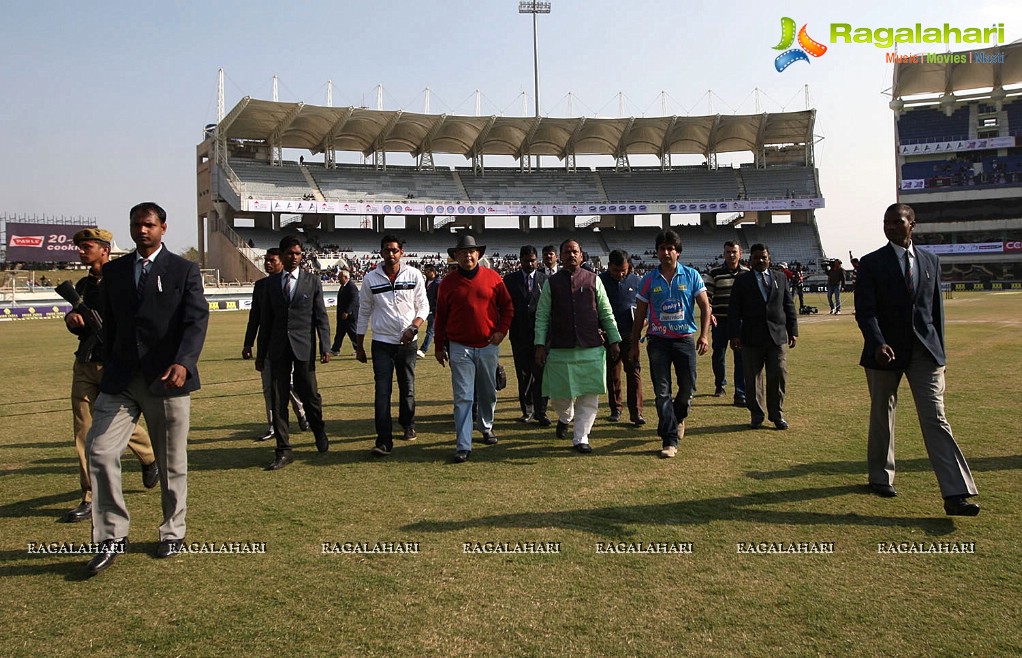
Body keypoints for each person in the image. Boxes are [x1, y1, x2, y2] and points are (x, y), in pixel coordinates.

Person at [85, 202, 209, 575]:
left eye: (149, 225)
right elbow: (107, 321)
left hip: (167, 379)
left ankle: (172, 530)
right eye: (136, 225)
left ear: (163, 229)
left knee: (172, 463)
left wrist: (184, 363)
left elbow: (196, 320)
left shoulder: (184, 270)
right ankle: (111, 535)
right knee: (100, 450)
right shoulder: (116, 271)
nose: (142, 230)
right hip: (121, 380)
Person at [854, 203, 979, 516]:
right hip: (885, 353)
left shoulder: (930, 261)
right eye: (887, 223)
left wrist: (941, 353)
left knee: (936, 418)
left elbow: (935, 312)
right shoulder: (871, 263)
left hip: (925, 352)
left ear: (913, 224)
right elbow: (865, 311)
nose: (892, 227)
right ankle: (881, 476)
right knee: (883, 414)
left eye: (898, 222)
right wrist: (878, 342)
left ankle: (955, 493)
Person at [62, 228, 158, 524]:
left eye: (87, 246)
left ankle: (149, 456)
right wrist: (72, 320)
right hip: (86, 363)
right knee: (84, 431)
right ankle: (90, 495)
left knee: (117, 423)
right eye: (79, 247)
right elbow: (77, 325)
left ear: (104, 249)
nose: (81, 251)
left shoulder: (124, 279)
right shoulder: (81, 286)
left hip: (115, 365)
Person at [535, 239, 622, 454]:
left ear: (582, 256)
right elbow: (542, 316)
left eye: (575, 251)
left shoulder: (594, 280)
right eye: (566, 252)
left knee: (589, 396)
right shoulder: (551, 283)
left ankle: (581, 437)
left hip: (591, 348)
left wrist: (614, 340)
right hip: (560, 348)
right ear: (560, 257)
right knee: (558, 396)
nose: (571, 255)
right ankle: (566, 417)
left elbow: (606, 313)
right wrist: (539, 344)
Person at [630, 229, 711, 458]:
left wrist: (704, 336)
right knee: (662, 392)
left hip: (685, 340)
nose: (666, 252)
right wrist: (634, 344)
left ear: (678, 252)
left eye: (670, 249)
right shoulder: (648, 280)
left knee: (687, 389)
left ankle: (678, 417)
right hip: (658, 342)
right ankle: (669, 440)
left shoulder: (692, 276)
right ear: (656, 252)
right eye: (662, 248)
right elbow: (640, 316)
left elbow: (705, 307)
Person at [434, 235, 514, 463]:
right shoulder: (448, 283)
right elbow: (440, 317)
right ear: (456, 256)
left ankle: (486, 426)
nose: (468, 256)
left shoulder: (493, 278)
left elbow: (507, 307)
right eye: (463, 252)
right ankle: (463, 444)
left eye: (472, 252)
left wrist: (501, 331)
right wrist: (439, 346)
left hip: (488, 345)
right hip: (460, 347)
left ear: (478, 254)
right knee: (463, 397)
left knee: (488, 392)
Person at [256, 236, 331, 470]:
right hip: (277, 349)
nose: (294, 257)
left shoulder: (312, 281)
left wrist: (325, 346)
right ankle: (283, 449)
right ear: (282, 254)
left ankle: (319, 431)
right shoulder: (270, 284)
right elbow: (265, 322)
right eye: (290, 253)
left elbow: (321, 317)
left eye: (298, 253)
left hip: (304, 348)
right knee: (278, 400)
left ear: (302, 256)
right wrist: (261, 354)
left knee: (309, 394)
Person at [354, 234, 429, 457]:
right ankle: (383, 440)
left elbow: (423, 306)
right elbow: (364, 312)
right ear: (381, 253)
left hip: (408, 343)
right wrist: (359, 345)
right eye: (387, 250)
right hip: (382, 343)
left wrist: (413, 328)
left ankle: (408, 423)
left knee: (407, 388)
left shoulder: (414, 274)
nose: (391, 254)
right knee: (382, 392)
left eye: (395, 250)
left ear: (401, 253)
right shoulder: (370, 279)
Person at [728, 244, 798, 430]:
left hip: (777, 336)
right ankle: (756, 415)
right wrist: (734, 334)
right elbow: (734, 310)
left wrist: (793, 331)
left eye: (763, 257)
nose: (760, 260)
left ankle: (777, 415)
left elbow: (789, 306)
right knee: (752, 378)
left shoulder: (780, 278)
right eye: (756, 257)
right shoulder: (743, 281)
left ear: (769, 258)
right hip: (751, 337)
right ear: (750, 260)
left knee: (778, 375)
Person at [242, 248, 308, 442]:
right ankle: (273, 425)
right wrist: (248, 343)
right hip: (268, 346)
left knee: (289, 384)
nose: (268, 263)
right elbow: (255, 317)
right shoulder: (261, 286)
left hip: (289, 345)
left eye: (272, 260)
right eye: (266, 260)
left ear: (282, 261)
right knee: (269, 387)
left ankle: (302, 413)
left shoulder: (293, 284)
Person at [503, 245, 549, 425]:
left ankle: (541, 412)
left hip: (540, 337)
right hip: (519, 335)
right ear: (520, 261)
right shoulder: (510, 280)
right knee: (523, 375)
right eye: (526, 261)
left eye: (533, 260)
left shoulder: (545, 280)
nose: (530, 264)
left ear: (537, 260)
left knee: (541, 375)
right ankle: (527, 410)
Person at [598, 249, 645, 425]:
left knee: (634, 371)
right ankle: (616, 409)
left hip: (630, 335)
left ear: (629, 267)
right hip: (608, 335)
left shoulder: (636, 280)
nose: (620, 274)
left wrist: (644, 322)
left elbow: (644, 307)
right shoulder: (600, 281)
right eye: (616, 270)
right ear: (609, 266)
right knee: (613, 372)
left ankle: (637, 412)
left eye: (623, 270)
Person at [706, 241, 749, 406]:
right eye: (728, 252)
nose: (731, 255)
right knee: (719, 354)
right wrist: (709, 313)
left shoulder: (746, 273)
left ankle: (740, 392)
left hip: (739, 322)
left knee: (740, 357)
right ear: (723, 253)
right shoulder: (715, 273)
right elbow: (707, 297)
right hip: (720, 320)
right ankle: (720, 384)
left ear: (740, 253)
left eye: (734, 252)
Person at [330, 267, 359, 355]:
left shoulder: (351, 286)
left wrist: (347, 312)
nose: (338, 279)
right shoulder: (343, 287)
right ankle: (335, 349)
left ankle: (358, 349)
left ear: (345, 277)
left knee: (352, 332)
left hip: (349, 316)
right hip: (342, 315)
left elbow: (354, 300)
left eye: (339, 277)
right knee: (340, 332)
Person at [417, 263, 440, 358]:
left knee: (430, 330)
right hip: (427, 309)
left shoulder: (438, 283)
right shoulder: (426, 282)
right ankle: (444, 348)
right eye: (425, 271)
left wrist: (435, 308)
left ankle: (423, 350)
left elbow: (439, 298)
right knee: (435, 331)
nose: (425, 273)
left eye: (427, 271)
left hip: (434, 311)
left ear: (433, 272)